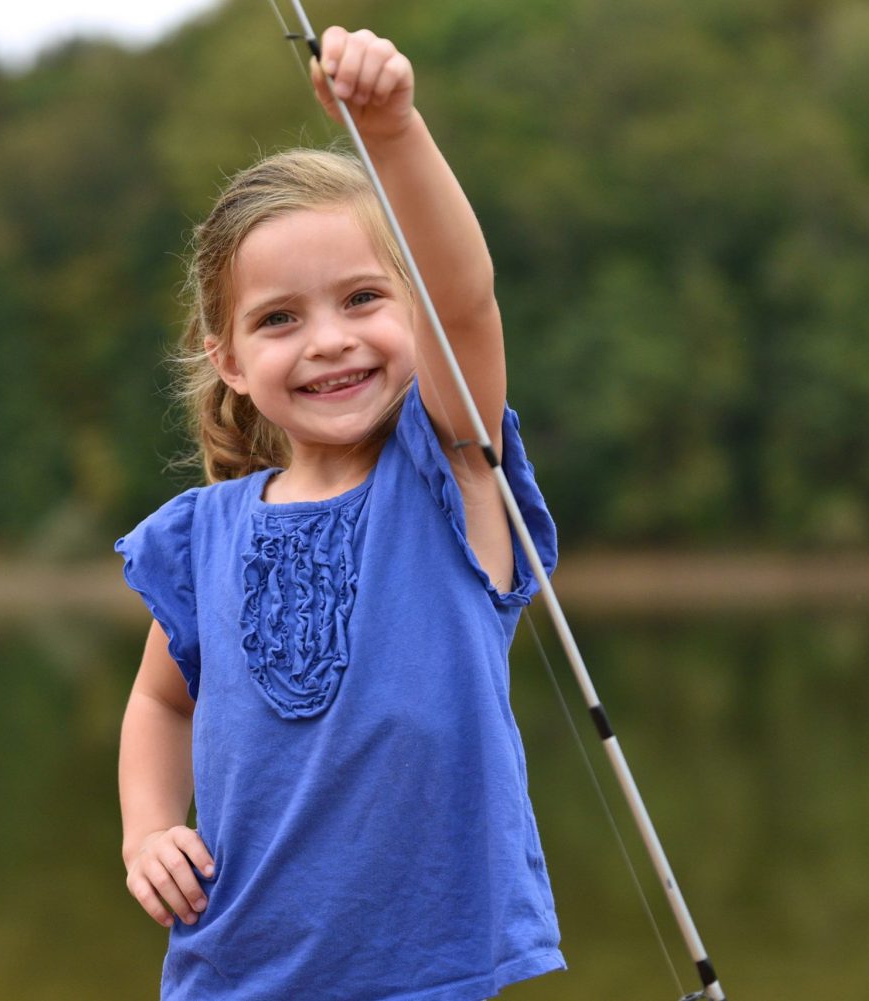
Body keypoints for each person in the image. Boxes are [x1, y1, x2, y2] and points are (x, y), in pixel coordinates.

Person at [115, 25, 564, 1001]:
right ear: (229, 357)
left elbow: (467, 302)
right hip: (228, 972)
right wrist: (148, 826)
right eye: (279, 318)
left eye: (364, 298)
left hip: (426, 975)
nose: (328, 342)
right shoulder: (202, 533)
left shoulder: (450, 470)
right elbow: (159, 699)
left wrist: (392, 132)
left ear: (412, 313)